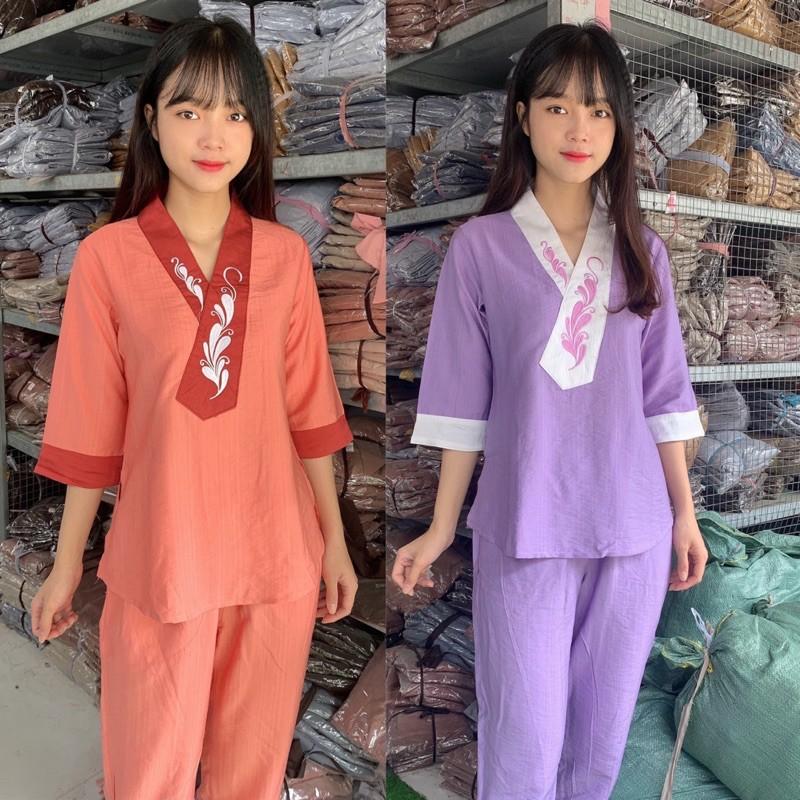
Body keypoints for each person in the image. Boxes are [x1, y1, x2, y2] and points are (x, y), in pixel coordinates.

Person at [29, 17, 358, 800]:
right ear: (151, 118)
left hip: (276, 554)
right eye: (190, 110)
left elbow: (309, 411)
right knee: (149, 773)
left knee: (250, 775)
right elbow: (88, 426)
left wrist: (335, 542)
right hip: (162, 555)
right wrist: (67, 564)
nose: (214, 135)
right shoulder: (108, 258)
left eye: (236, 113)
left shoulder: (284, 257)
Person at [391, 21, 708, 800]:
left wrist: (684, 515)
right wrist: (440, 526)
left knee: (599, 743)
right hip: (527, 521)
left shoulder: (642, 250)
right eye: (558, 105)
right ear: (523, 115)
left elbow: (664, 394)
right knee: (524, 741)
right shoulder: (481, 248)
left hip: (633, 527)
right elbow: (461, 401)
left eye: (599, 110)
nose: (579, 128)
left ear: (619, 126)